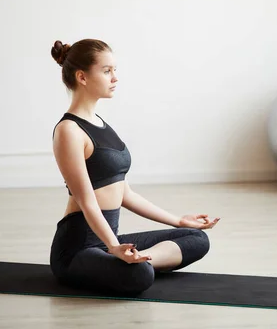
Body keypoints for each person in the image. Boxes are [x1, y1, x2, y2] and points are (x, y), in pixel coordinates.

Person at [49, 39, 220, 295]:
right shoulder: (69, 131)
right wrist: (114, 246)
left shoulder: (99, 123)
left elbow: (125, 194)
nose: (115, 78)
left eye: (114, 70)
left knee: (196, 238)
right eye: (107, 71)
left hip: (108, 242)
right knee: (140, 276)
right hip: (77, 250)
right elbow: (87, 201)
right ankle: (134, 262)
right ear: (82, 77)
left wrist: (178, 220)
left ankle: (137, 257)